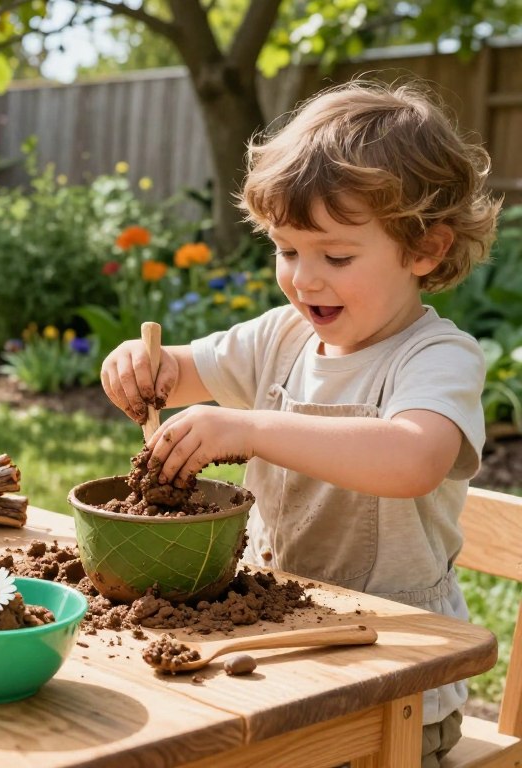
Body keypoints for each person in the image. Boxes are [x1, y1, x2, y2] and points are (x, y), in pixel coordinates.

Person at [101, 80, 500, 766]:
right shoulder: (279, 338)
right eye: (287, 250)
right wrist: (140, 364)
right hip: (273, 646)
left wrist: (248, 429)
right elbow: (179, 369)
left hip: (392, 684)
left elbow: (413, 458)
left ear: (424, 250)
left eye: (336, 257)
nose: (304, 280)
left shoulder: (436, 358)